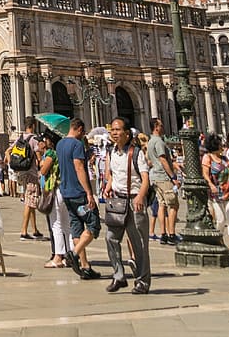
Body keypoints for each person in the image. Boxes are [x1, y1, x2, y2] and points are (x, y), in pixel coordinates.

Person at [103, 116, 151, 294]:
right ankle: (118, 275)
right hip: (117, 201)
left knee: (139, 243)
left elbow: (146, 179)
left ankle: (142, 281)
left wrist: (140, 197)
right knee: (110, 238)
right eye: (112, 130)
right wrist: (109, 185)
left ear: (127, 133)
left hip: (134, 202)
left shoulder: (136, 153)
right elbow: (114, 174)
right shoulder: (111, 152)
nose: (114, 133)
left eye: (117, 130)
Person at [56, 117, 101, 279]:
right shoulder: (76, 145)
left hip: (66, 193)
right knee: (93, 224)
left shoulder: (60, 144)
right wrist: (89, 193)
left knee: (77, 228)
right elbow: (79, 168)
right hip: (79, 194)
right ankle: (74, 254)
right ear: (80, 129)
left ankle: (85, 266)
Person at [146, 117, 180, 246]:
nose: (163, 127)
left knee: (161, 205)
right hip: (163, 176)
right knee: (173, 205)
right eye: (161, 125)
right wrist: (173, 177)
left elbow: (149, 160)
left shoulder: (150, 142)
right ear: (156, 127)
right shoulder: (159, 141)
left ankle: (163, 234)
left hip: (154, 177)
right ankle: (171, 234)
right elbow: (163, 159)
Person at [39, 134, 70, 268]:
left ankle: (58, 256)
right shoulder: (63, 152)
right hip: (64, 188)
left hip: (54, 190)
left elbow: (44, 171)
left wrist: (41, 162)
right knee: (66, 225)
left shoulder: (51, 153)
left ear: (48, 141)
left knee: (56, 225)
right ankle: (70, 255)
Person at [202, 133, 229, 252]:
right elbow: (205, 174)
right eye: (220, 145)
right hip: (216, 193)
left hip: (228, 192)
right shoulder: (207, 157)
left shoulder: (225, 158)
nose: (222, 146)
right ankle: (219, 240)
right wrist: (211, 185)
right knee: (221, 219)